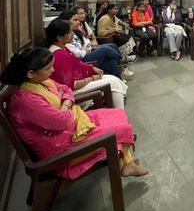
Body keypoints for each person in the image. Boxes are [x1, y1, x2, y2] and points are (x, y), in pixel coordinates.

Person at [0, 47, 148, 179]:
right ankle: (125, 162)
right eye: (48, 68)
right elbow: (61, 121)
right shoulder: (26, 100)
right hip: (61, 148)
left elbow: (66, 89)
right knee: (120, 130)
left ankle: (126, 163)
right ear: (31, 73)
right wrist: (67, 106)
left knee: (118, 116)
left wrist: (65, 105)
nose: (52, 71)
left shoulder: (40, 82)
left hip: (70, 126)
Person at [46, 19, 128, 109]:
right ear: (59, 37)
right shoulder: (58, 55)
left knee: (113, 77)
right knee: (113, 82)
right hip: (72, 92)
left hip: (78, 82)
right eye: (69, 32)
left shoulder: (62, 48)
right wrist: (92, 78)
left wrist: (92, 68)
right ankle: (120, 113)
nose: (73, 34)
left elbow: (77, 62)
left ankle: (117, 113)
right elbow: (69, 85)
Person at [59, 9, 134, 78]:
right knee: (105, 49)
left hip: (88, 50)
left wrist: (87, 46)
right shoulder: (65, 36)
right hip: (82, 59)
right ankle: (121, 60)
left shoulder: (77, 31)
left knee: (112, 57)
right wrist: (85, 49)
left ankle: (119, 78)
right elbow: (79, 53)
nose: (78, 22)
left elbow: (87, 41)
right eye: (75, 20)